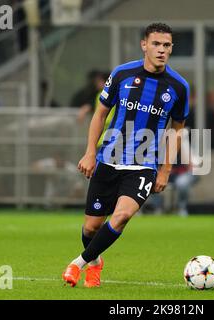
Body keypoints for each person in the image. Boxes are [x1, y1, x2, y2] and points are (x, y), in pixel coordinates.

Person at [62, 22, 189, 288]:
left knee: (121, 216)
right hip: (108, 159)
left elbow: (177, 131)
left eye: (167, 45)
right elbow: (100, 114)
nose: (161, 50)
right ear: (144, 45)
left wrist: (165, 170)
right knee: (90, 228)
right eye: (156, 44)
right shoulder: (122, 74)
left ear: (171, 49)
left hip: (143, 165)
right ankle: (95, 263)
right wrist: (89, 153)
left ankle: (78, 263)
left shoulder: (178, 87)